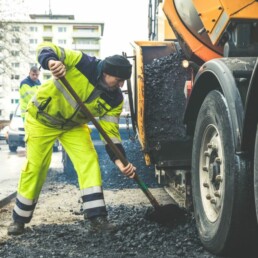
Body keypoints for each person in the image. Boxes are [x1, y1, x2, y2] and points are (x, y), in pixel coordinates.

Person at [7, 42, 136, 235]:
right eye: (118, 80)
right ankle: (19, 220)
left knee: (89, 161)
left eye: (123, 81)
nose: (121, 85)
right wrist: (51, 62)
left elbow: (110, 133)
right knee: (37, 167)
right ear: (106, 73)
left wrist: (120, 160)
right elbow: (46, 47)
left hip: (72, 127)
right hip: (41, 120)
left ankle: (97, 218)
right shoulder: (83, 63)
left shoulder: (115, 99)